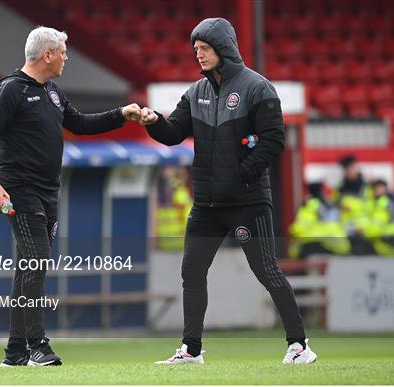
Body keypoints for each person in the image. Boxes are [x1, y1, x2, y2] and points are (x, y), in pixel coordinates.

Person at [139, 18, 317, 365]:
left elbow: (274, 141)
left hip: (247, 202)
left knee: (266, 270)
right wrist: (153, 122)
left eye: (204, 49)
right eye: (195, 50)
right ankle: (191, 350)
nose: (199, 55)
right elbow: (174, 132)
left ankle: (299, 346)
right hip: (207, 204)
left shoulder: (258, 88)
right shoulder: (195, 92)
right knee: (191, 272)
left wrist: (241, 175)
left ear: (222, 47)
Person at [0, 26, 141, 367]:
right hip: (18, 190)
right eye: (63, 52)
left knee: (28, 268)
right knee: (36, 262)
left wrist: (120, 114)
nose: (66, 57)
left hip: (49, 192)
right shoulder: (10, 90)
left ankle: (15, 351)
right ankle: (37, 345)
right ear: (47, 54)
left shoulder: (52, 91)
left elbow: (79, 123)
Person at [288, 182, 351, 258]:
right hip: (337, 248)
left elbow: (299, 228)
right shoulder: (334, 207)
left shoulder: (310, 205)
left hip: (312, 246)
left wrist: (292, 230)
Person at [357, 179, 394, 256]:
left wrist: (363, 232)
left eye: (380, 188)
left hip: (387, 247)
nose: (377, 190)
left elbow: (377, 227)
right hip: (383, 246)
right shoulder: (390, 202)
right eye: (376, 188)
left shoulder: (386, 204)